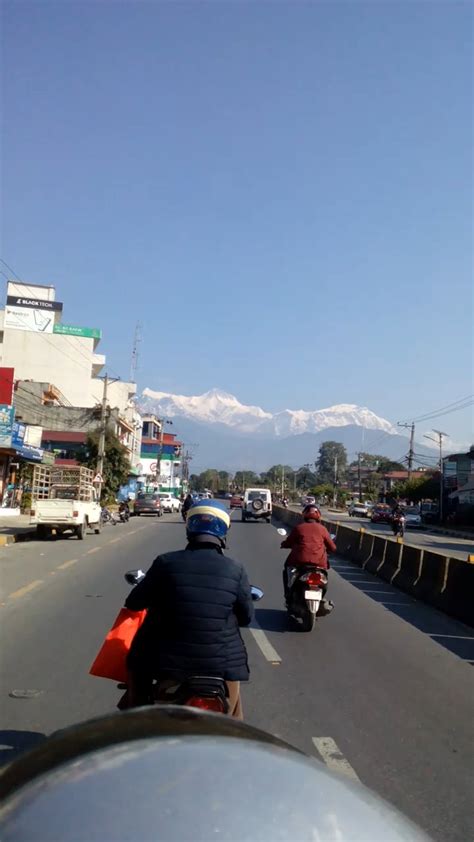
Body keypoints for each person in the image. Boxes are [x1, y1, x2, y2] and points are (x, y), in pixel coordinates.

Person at [124, 499, 254, 719]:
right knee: (235, 719)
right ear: (223, 531)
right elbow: (246, 617)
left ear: (190, 527)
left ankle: (136, 722)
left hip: (166, 662)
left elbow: (133, 603)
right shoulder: (236, 569)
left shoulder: (165, 562)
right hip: (221, 665)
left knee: (137, 671)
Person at [280, 505, 336, 603]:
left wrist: (284, 545)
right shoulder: (323, 529)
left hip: (300, 561)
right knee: (324, 577)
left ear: (304, 515)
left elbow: (288, 542)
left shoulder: (299, 528)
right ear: (318, 516)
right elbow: (333, 547)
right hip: (320, 563)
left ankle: (288, 593)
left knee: (287, 567)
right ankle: (321, 598)